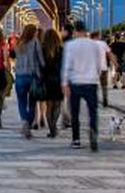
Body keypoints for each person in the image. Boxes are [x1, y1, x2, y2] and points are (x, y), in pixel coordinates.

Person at [62, 20, 112, 151]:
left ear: (75, 31)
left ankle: (76, 139)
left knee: (75, 112)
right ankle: (93, 131)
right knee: (93, 111)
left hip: (75, 82)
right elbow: (98, 64)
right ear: (85, 30)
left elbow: (67, 65)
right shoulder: (94, 45)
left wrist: (64, 83)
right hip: (91, 82)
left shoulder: (70, 45)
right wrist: (95, 75)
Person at [13, 24, 45, 139]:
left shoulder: (18, 43)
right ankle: (28, 124)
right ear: (33, 32)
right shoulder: (36, 42)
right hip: (32, 76)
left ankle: (25, 122)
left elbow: (15, 57)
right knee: (32, 102)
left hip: (20, 76)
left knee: (21, 102)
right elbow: (41, 60)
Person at [39, 28, 65, 138]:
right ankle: (54, 125)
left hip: (46, 81)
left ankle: (52, 128)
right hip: (59, 80)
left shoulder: (41, 50)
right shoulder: (61, 50)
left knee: (49, 106)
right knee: (57, 105)